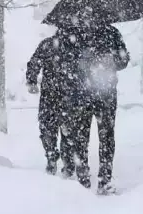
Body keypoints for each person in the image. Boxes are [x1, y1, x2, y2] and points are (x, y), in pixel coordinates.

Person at [64, 23, 129, 194]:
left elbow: (124, 61)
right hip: (83, 95)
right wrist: (83, 65)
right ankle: (84, 180)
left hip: (102, 94)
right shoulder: (76, 33)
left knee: (103, 137)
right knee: (82, 138)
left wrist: (109, 61)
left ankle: (103, 180)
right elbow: (65, 61)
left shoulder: (111, 33)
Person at [26, 31, 76, 177]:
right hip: (69, 95)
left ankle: (52, 156)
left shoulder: (48, 44)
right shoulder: (75, 45)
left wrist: (32, 80)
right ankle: (67, 163)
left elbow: (34, 62)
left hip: (50, 94)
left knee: (48, 128)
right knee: (68, 130)